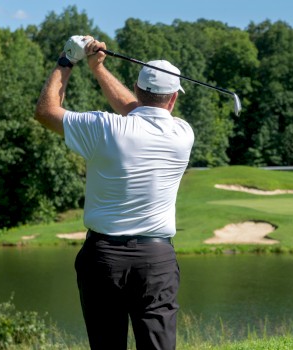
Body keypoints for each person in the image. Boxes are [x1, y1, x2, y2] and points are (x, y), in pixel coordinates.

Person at [35, 35, 194, 350]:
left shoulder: (105, 128)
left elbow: (46, 111)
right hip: (157, 260)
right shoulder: (182, 134)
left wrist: (69, 59)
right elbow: (138, 110)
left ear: (136, 88)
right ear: (174, 98)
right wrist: (99, 69)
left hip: (104, 259)